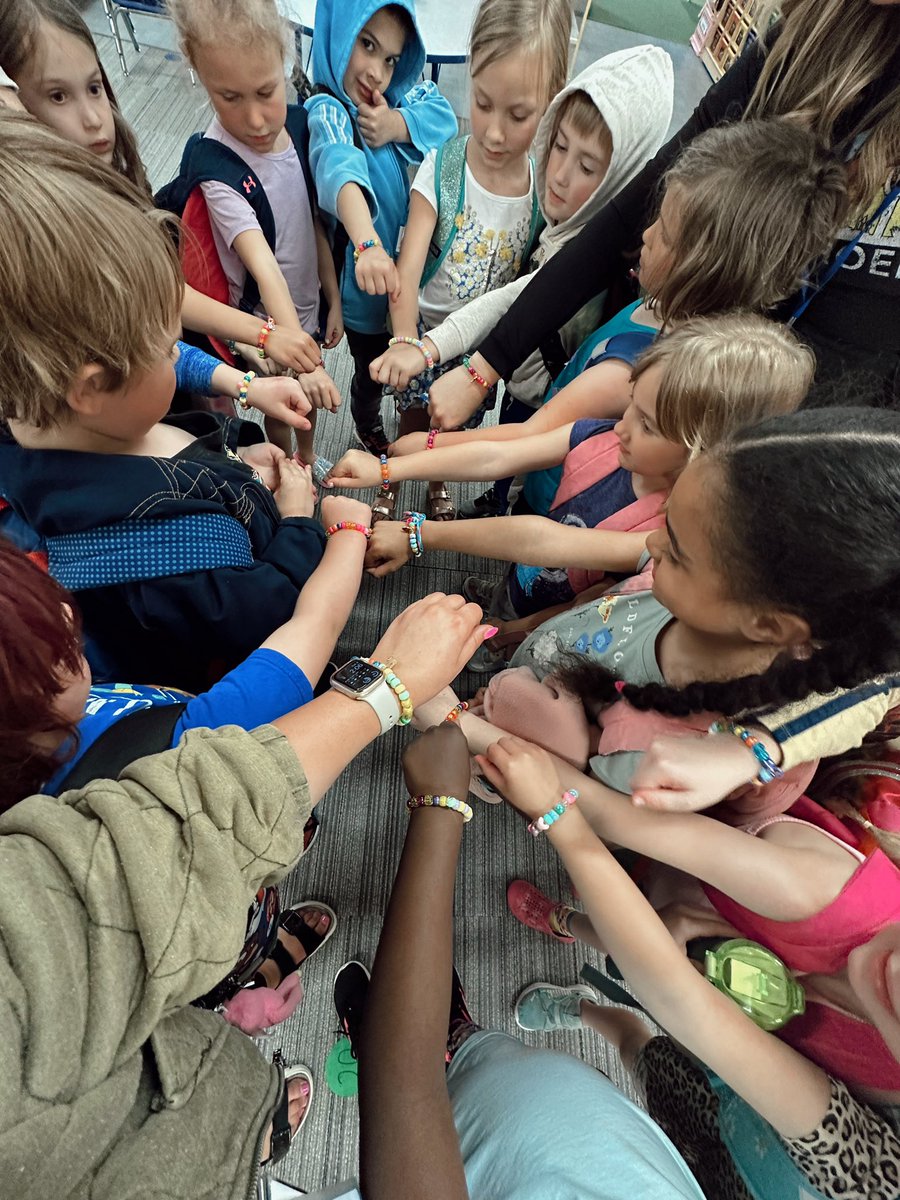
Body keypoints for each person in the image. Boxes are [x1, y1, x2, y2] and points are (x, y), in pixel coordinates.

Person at [0, 592, 495, 1200]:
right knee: (228, 919)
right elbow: (171, 849)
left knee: (219, 942)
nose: (71, 610)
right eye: (47, 639)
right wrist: (386, 688)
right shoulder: (187, 740)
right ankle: (244, 1086)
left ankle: (236, 1017)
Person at [424, 0, 900, 417]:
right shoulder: (798, 47)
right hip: (708, 394)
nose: (648, 238)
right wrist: (486, 367)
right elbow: (631, 217)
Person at [479, 735, 900, 1200]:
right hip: (727, 1011)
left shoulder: (874, 1157)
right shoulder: (833, 893)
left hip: (736, 1149)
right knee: (657, 954)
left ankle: (585, 1009)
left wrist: (557, 814)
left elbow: (683, 1002)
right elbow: (677, 991)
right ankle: (569, 929)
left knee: (650, 1058)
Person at [384, 117, 848, 520]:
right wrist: (433, 350)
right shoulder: (656, 303)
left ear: (700, 266)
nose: (643, 235)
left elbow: (522, 441)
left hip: (557, 497)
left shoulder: (627, 373)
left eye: (663, 231)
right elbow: (521, 294)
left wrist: (403, 459)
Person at [0, 119, 325, 690]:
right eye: (164, 343)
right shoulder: (155, 557)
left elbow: (165, 416)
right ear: (91, 387)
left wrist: (242, 428)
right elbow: (262, 612)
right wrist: (298, 522)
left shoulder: (55, 413)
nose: (180, 351)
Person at [317, 724, 706, 1200]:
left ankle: (419, 1036)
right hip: (574, 1110)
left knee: (400, 1057)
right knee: (644, 1050)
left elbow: (405, 1093)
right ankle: (485, 1029)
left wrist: (440, 806)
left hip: (455, 1141)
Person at [340, 317, 811, 632]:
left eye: (646, 424)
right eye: (631, 407)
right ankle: (502, 600)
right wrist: (388, 467)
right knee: (510, 586)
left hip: (564, 617)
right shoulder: (602, 435)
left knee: (517, 642)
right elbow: (496, 457)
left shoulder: (665, 532)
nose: (622, 425)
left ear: (704, 449)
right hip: (528, 569)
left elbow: (547, 542)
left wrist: (421, 534)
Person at [379, 46, 673, 520]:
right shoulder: (545, 212)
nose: (558, 175)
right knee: (473, 446)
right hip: (514, 374)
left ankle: (491, 505)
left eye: (587, 167)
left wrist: (430, 349)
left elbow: (510, 299)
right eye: (559, 147)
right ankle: (483, 500)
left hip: (536, 391)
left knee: (513, 465)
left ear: (621, 174)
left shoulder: (584, 249)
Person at [1, 0, 328, 380]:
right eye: (58, 96)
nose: (94, 119)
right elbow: (160, 320)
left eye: (94, 87)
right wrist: (262, 339)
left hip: (175, 373)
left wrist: (246, 373)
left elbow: (166, 307)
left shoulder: (116, 182)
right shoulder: (46, 241)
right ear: (14, 110)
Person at [366, 0, 575, 522]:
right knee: (414, 417)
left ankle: (436, 475)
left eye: (519, 114)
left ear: (552, 104)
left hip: (484, 351)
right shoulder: (443, 168)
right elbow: (407, 273)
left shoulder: (541, 193)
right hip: (422, 334)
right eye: (482, 104)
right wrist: (406, 342)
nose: (496, 132)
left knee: (453, 427)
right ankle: (394, 471)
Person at [167, 0, 343, 457]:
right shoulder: (219, 170)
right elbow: (263, 267)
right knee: (286, 402)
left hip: (305, 304)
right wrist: (296, 351)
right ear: (199, 74)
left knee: (310, 405)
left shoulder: (301, 129)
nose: (257, 119)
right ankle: (286, 458)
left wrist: (334, 298)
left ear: (285, 59)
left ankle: (306, 459)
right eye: (230, 98)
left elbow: (313, 223)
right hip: (267, 321)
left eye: (267, 91)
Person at [304, 0, 457, 457]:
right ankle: (365, 420)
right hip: (363, 299)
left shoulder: (393, 101)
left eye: (390, 59)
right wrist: (366, 242)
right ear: (338, 34)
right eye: (366, 45)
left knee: (411, 357)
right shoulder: (329, 109)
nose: (376, 72)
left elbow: (446, 119)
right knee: (372, 370)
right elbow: (339, 167)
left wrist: (396, 123)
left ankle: (397, 406)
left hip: (409, 282)